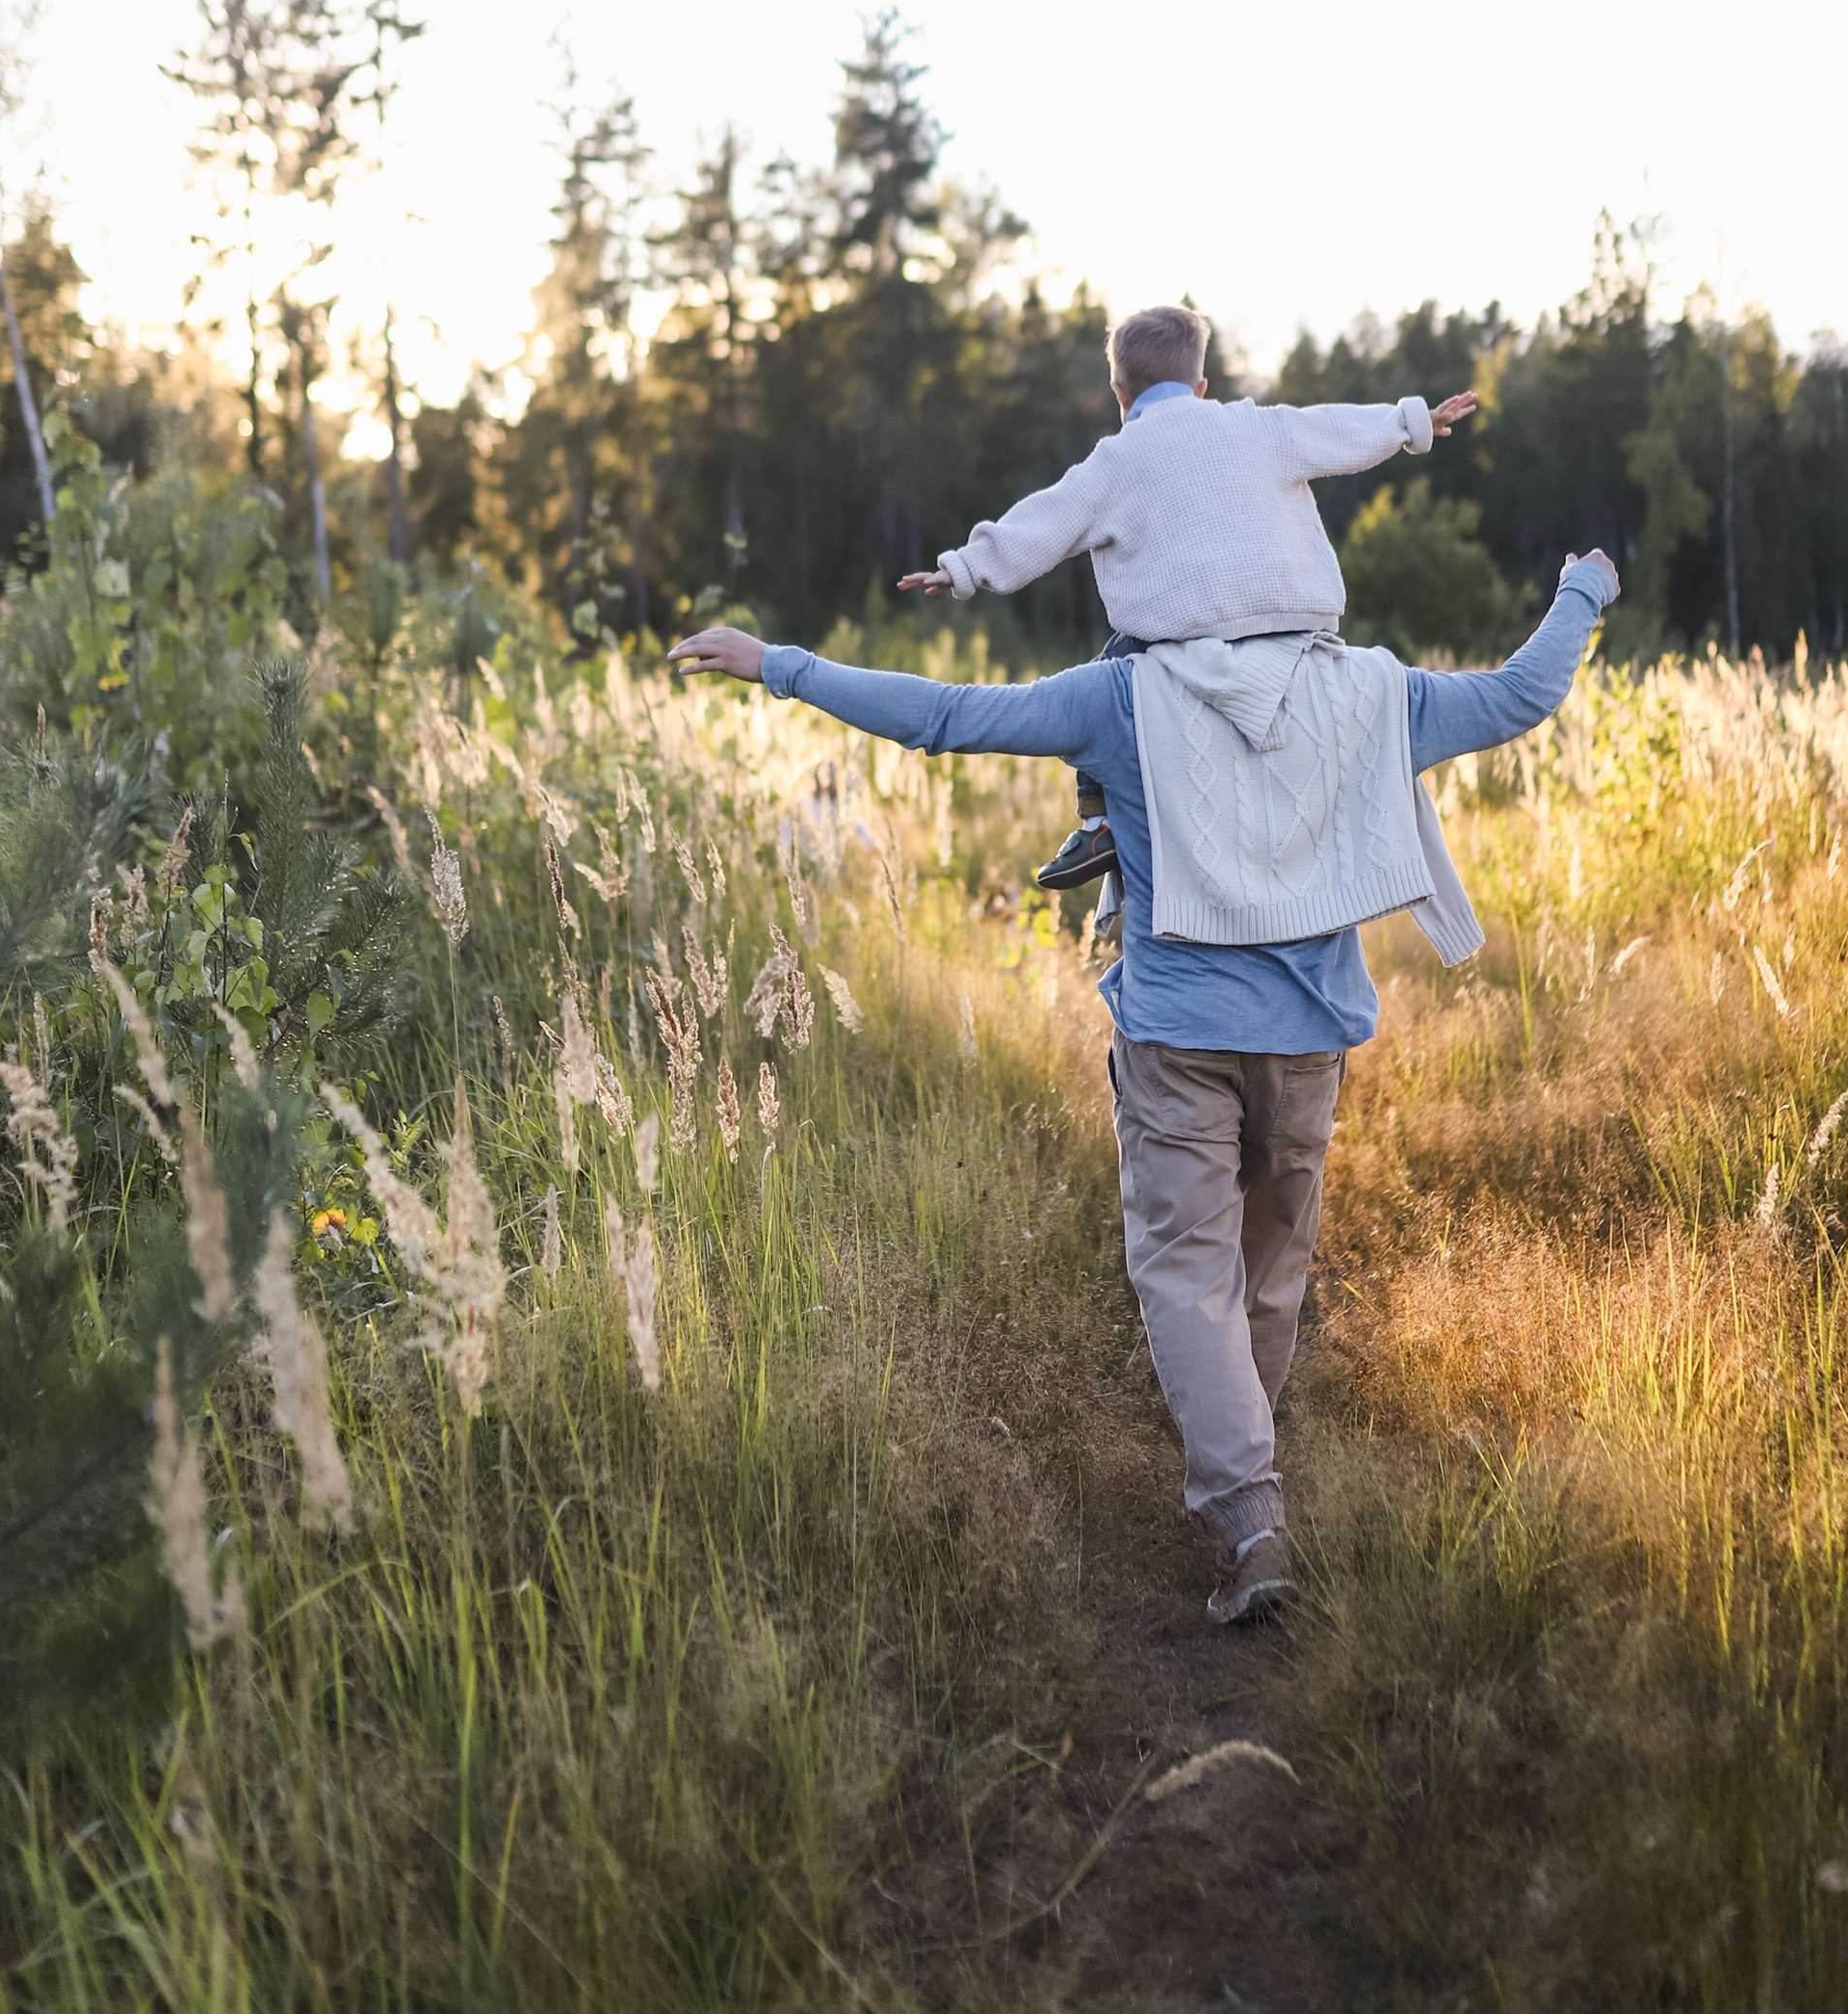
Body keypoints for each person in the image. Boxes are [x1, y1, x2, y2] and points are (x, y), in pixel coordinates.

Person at [670, 543, 1618, 1626]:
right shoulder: (1367, 688)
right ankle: (1247, 1480)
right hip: (1307, 1043)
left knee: (1186, 1275)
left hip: (1177, 1035)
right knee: (1269, 1271)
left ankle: (1252, 1520)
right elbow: (1518, 695)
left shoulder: (1122, 693)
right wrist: (1580, 589)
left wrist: (776, 662)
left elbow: (941, 715)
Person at [896, 303, 1477, 903]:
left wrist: (961, 568)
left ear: (1119, 391)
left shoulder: (1117, 459)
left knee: (1110, 671)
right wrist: (1413, 422)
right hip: (1297, 626)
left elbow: (1044, 523)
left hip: (1187, 635)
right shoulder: (1256, 425)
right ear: (1202, 387)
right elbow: (1333, 429)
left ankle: (1097, 824)